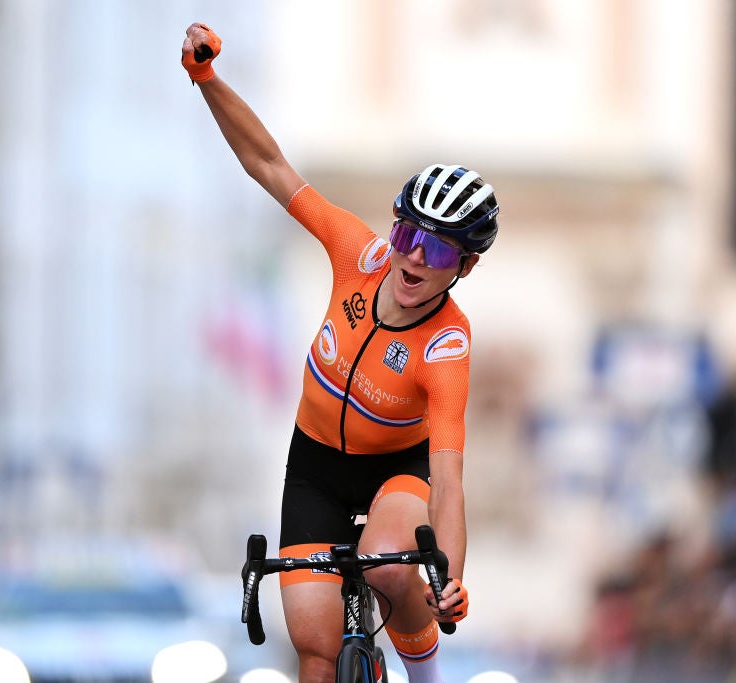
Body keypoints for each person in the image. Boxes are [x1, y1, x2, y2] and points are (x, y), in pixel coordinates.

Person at [181, 22, 500, 683]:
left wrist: (451, 579)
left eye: (438, 250)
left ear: (463, 268)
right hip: (317, 465)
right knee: (318, 653)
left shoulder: (446, 342)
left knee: (389, 559)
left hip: (399, 471)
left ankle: (426, 676)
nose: (414, 256)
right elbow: (269, 164)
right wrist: (207, 79)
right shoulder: (358, 252)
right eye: (410, 231)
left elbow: (447, 479)